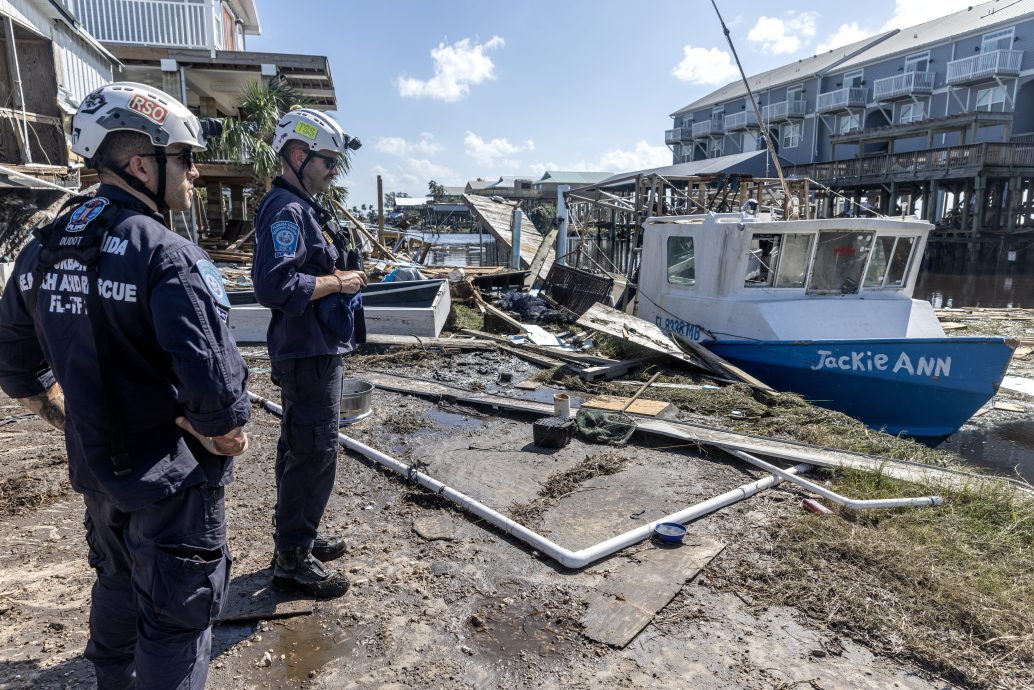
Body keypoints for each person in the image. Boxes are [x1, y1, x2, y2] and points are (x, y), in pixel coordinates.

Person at [0, 82, 250, 689]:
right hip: (169, 485)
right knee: (175, 624)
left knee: (115, 583)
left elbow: (15, 366)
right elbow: (217, 394)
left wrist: (71, 414)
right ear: (141, 164)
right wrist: (224, 433)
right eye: (185, 158)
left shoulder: (43, 248)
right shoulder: (166, 254)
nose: (193, 172)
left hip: (97, 474)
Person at [251, 107, 366, 598]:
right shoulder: (287, 210)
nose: (333, 171)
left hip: (317, 349)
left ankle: (298, 536)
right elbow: (274, 284)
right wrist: (339, 281)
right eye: (327, 161)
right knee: (314, 452)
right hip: (308, 353)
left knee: (301, 448)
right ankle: (292, 560)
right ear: (298, 155)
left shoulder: (302, 206)